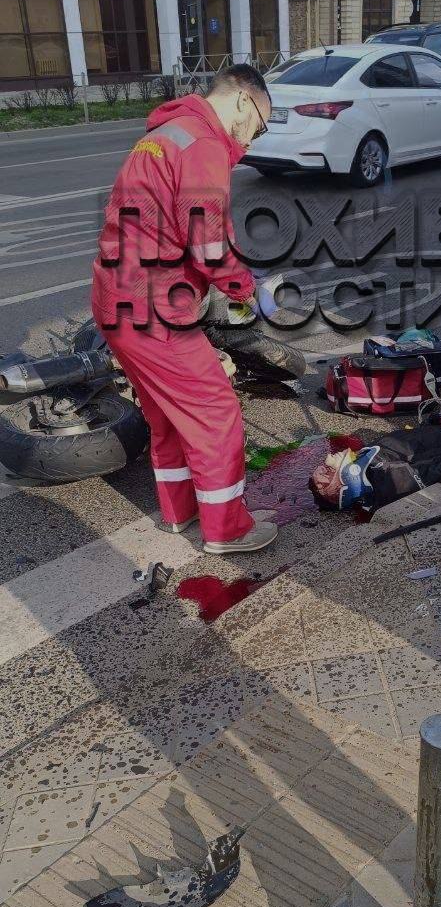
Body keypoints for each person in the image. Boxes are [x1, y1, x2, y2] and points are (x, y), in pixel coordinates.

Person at [92, 65, 277, 555]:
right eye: (259, 126)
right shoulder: (203, 144)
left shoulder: (166, 134)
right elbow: (207, 243)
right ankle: (228, 529)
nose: (252, 141)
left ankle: (181, 511)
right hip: (153, 306)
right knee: (216, 412)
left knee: (168, 413)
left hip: (115, 297)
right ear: (243, 100)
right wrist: (246, 289)